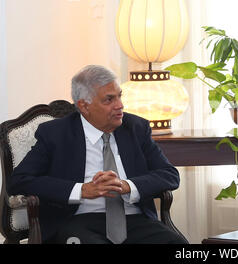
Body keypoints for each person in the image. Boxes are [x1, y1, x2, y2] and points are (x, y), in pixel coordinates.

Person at [7, 65, 187, 244]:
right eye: (109, 100)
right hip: (78, 221)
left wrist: (127, 186)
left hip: (135, 221)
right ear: (84, 106)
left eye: (119, 96)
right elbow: (20, 180)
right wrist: (81, 190)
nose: (120, 105)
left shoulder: (136, 128)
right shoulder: (56, 134)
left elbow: (169, 175)